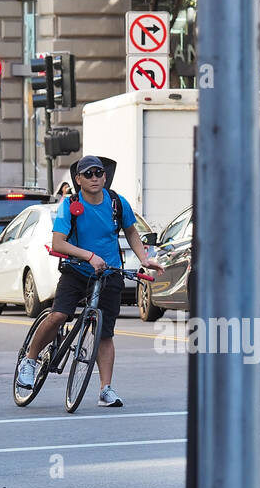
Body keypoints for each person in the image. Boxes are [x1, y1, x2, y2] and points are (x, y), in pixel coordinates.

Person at [16, 155, 162, 407]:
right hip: (77, 270)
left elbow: (131, 231)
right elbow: (58, 242)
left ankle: (105, 389)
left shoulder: (117, 202)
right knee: (59, 315)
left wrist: (144, 258)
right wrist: (89, 256)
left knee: (104, 333)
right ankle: (29, 360)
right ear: (78, 179)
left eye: (98, 173)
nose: (94, 177)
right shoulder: (70, 205)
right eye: (88, 174)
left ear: (105, 177)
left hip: (109, 273)